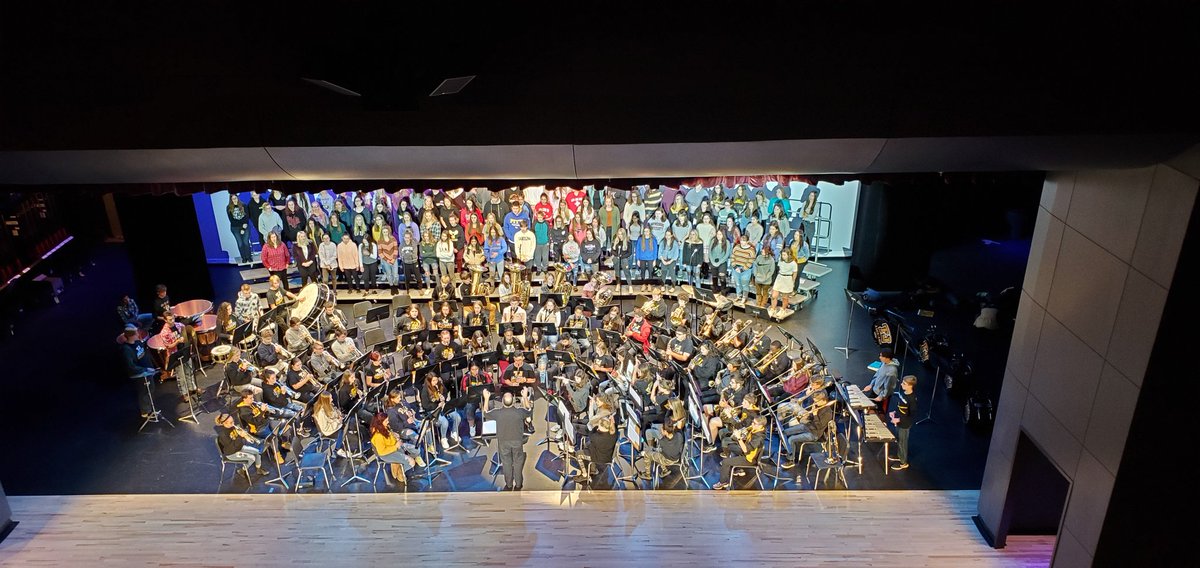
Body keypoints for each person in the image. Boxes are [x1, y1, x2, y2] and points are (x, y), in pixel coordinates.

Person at [482, 386, 532, 490]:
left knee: (507, 463)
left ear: (502, 402)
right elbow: (529, 410)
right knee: (518, 463)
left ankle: (509, 485)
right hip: (517, 442)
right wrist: (525, 397)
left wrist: (486, 398)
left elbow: (485, 412)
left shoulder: (497, 413)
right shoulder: (519, 412)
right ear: (513, 401)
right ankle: (518, 485)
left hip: (503, 443)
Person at [713, 415, 767, 490]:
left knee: (725, 462)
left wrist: (739, 438)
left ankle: (724, 482)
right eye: (752, 422)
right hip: (746, 452)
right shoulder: (756, 429)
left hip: (749, 459)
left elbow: (745, 450)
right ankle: (736, 468)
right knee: (729, 446)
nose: (752, 424)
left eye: (754, 423)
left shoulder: (759, 438)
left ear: (760, 426)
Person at [120, 327, 158, 417]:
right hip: (139, 374)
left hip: (147, 370)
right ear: (131, 336)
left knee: (151, 388)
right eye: (136, 333)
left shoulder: (137, 342)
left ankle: (150, 408)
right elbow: (131, 366)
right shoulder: (127, 350)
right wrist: (145, 370)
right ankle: (145, 412)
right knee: (144, 392)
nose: (138, 335)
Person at [419, 372, 464, 448]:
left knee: (457, 417)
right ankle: (443, 438)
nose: (436, 382)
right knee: (444, 422)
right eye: (433, 381)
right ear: (429, 381)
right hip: (433, 410)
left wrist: (443, 398)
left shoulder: (439, 385)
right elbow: (425, 405)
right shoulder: (425, 390)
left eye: (436, 380)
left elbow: (445, 393)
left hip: (443, 406)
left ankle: (454, 432)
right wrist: (437, 405)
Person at [369, 413, 414, 488]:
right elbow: (381, 451)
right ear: (380, 423)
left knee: (407, 451)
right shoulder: (378, 436)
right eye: (386, 421)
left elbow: (388, 439)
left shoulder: (384, 428)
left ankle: (397, 467)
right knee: (411, 462)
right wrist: (395, 446)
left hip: (392, 449)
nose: (388, 422)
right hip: (386, 454)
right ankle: (400, 473)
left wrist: (394, 436)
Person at [889, 375, 918, 470]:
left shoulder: (912, 399)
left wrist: (899, 420)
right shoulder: (904, 393)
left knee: (903, 443)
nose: (901, 384)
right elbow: (901, 407)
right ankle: (899, 456)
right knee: (899, 440)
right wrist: (894, 413)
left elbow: (911, 415)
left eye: (904, 384)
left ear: (910, 386)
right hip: (900, 422)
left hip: (904, 425)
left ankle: (903, 462)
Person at [862, 348, 900, 414]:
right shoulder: (883, 363)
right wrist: (871, 384)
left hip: (882, 395)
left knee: (879, 413)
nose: (880, 357)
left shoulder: (892, 371)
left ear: (887, 358)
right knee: (868, 408)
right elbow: (877, 374)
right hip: (875, 390)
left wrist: (881, 396)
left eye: (881, 356)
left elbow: (889, 387)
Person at [769, 248, 799, 317]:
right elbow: (779, 268)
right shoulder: (781, 260)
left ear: (789, 255)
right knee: (774, 296)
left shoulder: (793, 263)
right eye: (782, 254)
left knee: (785, 297)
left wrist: (793, 282)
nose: (783, 256)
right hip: (780, 277)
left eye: (784, 255)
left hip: (787, 279)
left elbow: (795, 273)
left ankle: (783, 309)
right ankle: (773, 309)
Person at [729, 235, 756, 304]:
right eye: (741, 240)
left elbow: (750, 261)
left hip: (746, 270)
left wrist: (742, 269)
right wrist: (735, 267)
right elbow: (732, 257)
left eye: (744, 241)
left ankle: (744, 297)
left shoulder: (751, 250)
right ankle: (738, 296)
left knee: (745, 284)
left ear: (747, 241)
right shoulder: (736, 247)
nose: (742, 242)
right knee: (738, 284)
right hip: (736, 268)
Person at [227, 196, 253, 263]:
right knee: (240, 243)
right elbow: (231, 220)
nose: (234, 200)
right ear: (231, 200)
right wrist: (240, 226)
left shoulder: (244, 205)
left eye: (235, 198)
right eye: (233, 199)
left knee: (246, 242)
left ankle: (249, 257)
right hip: (235, 228)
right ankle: (243, 258)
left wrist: (243, 228)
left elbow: (247, 217)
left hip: (245, 226)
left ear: (238, 198)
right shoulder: (229, 208)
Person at [634, 226, 658, 292]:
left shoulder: (653, 239)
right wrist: (638, 259)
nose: (646, 233)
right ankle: (643, 284)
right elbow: (637, 249)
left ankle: (649, 284)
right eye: (644, 231)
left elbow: (655, 250)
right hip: (642, 257)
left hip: (651, 258)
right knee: (643, 271)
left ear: (650, 231)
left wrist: (655, 260)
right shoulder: (640, 239)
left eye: (647, 231)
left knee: (650, 271)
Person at [377, 225, 399, 292]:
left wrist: (393, 259)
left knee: (395, 275)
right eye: (384, 232)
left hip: (394, 259)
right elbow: (380, 253)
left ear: (388, 232)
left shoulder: (393, 239)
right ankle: (392, 287)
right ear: (382, 233)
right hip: (386, 261)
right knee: (389, 275)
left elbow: (396, 249)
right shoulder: (380, 241)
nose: (385, 233)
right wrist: (387, 260)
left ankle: (395, 286)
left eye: (386, 232)